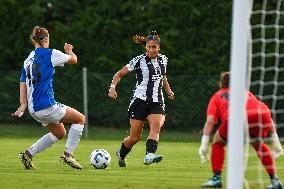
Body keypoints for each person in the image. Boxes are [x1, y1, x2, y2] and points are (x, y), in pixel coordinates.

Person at [13, 26, 85, 170]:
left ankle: (28, 154)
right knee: (80, 119)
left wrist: (23, 105)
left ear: (34, 40)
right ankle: (68, 155)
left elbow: (22, 82)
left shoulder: (28, 59)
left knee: (60, 132)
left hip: (34, 110)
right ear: (46, 39)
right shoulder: (50, 53)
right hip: (46, 106)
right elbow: (73, 60)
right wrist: (69, 51)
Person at [198, 71, 284, 188]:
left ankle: (216, 178)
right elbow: (258, 109)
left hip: (235, 115)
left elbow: (211, 120)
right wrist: (275, 138)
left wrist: (204, 144)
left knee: (218, 142)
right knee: (257, 144)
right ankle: (275, 181)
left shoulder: (217, 95)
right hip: (262, 113)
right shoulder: (246, 93)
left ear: (222, 83)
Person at [108, 31, 174, 167]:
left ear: (159, 48)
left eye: (154, 47)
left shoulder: (164, 59)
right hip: (139, 101)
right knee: (134, 138)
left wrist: (168, 91)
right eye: (149, 46)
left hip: (157, 101)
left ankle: (149, 155)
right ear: (146, 47)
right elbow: (119, 73)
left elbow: (163, 77)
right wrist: (112, 87)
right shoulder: (139, 60)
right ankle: (121, 153)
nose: (151, 49)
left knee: (156, 126)